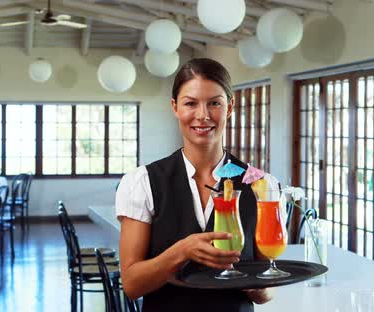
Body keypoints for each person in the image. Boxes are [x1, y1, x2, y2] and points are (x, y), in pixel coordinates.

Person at [116, 58, 278, 312]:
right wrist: (181, 251)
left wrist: (257, 286)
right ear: (175, 107)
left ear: (230, 107)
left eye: (215, 103)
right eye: (190, 103)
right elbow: (132, 284)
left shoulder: (258, 183)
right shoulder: (143, 182)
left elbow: (265, 291)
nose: (202, 116)